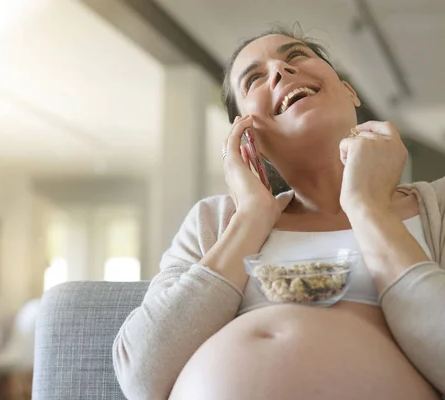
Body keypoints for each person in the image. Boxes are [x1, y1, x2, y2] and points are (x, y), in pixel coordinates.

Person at [112, 25, 445, 400]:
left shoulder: (438, 204)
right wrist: (252, 216)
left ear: (349, 92)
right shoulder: (213, 221)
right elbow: (141, 375)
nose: (280, 72)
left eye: (297, 56)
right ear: (246, 136)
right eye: (254, 78)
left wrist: (367, 207)